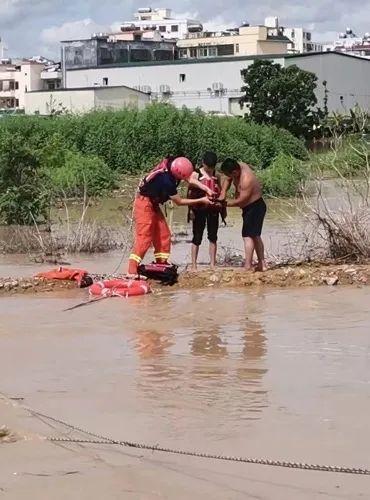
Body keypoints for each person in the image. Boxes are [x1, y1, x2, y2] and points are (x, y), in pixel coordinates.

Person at [127, 156, 213, 277]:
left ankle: (161, 263)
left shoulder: (172, 165)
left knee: (163, 234)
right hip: (144, 203)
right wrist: (201, 200)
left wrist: (206, 188)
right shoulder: (166, 180)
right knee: (144, 237)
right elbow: (179, 201)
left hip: (153, 203)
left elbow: (189, 179)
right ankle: (132, 270)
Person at [220, 159, 267, 272]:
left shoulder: (246, 179)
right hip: (250, 207)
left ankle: (248, 266)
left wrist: (224, 204)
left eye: (229, 174)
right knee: (255, 236)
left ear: (235, 172)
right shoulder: (238, 167)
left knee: (247, 236)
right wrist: (223, 193)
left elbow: (241, 201)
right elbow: (228, 179)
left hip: (254, 207)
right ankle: (262, 264)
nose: (228, 177)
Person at [187, 151, 224, 270]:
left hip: (213, 210)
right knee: (197, 237)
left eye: (212, 168)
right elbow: (190, 183)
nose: (209, 170)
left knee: (213, 236)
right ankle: (194, 264)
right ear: (203, 163)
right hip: (198, 209)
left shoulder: (216, 175)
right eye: (208, 168)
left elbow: (222, 191)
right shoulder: (196, 173)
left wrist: (224, 210)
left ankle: (212, 264)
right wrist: (191, 211)